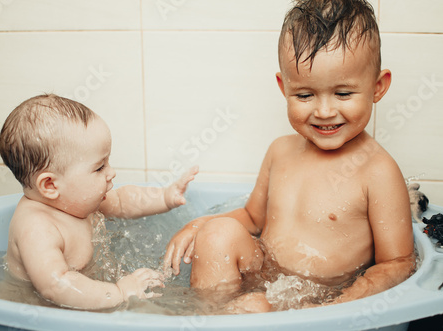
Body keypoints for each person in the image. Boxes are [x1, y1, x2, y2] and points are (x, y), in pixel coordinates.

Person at [163, 0, 415, 312]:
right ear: (284, 87)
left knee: (254, 308)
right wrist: (198, 225)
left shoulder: (378, 171)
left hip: (320, 298)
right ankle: (206, 315)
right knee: (217, 235)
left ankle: (235, 316)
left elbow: (398, 263)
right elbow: (253, 218)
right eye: (305, 95)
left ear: (378, 87)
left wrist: (337, 306)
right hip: (265, 273)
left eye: (343, 94)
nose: (324, 111)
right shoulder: (280, 151)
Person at [0, 94, 198, 310]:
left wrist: (165, 196)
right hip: (33, 310)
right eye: (99, 167)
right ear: (51, 185)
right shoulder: (37, 227)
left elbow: (122, 201)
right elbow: (57, 286)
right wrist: (119, 292)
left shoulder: (76, 202)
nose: (111, 173)